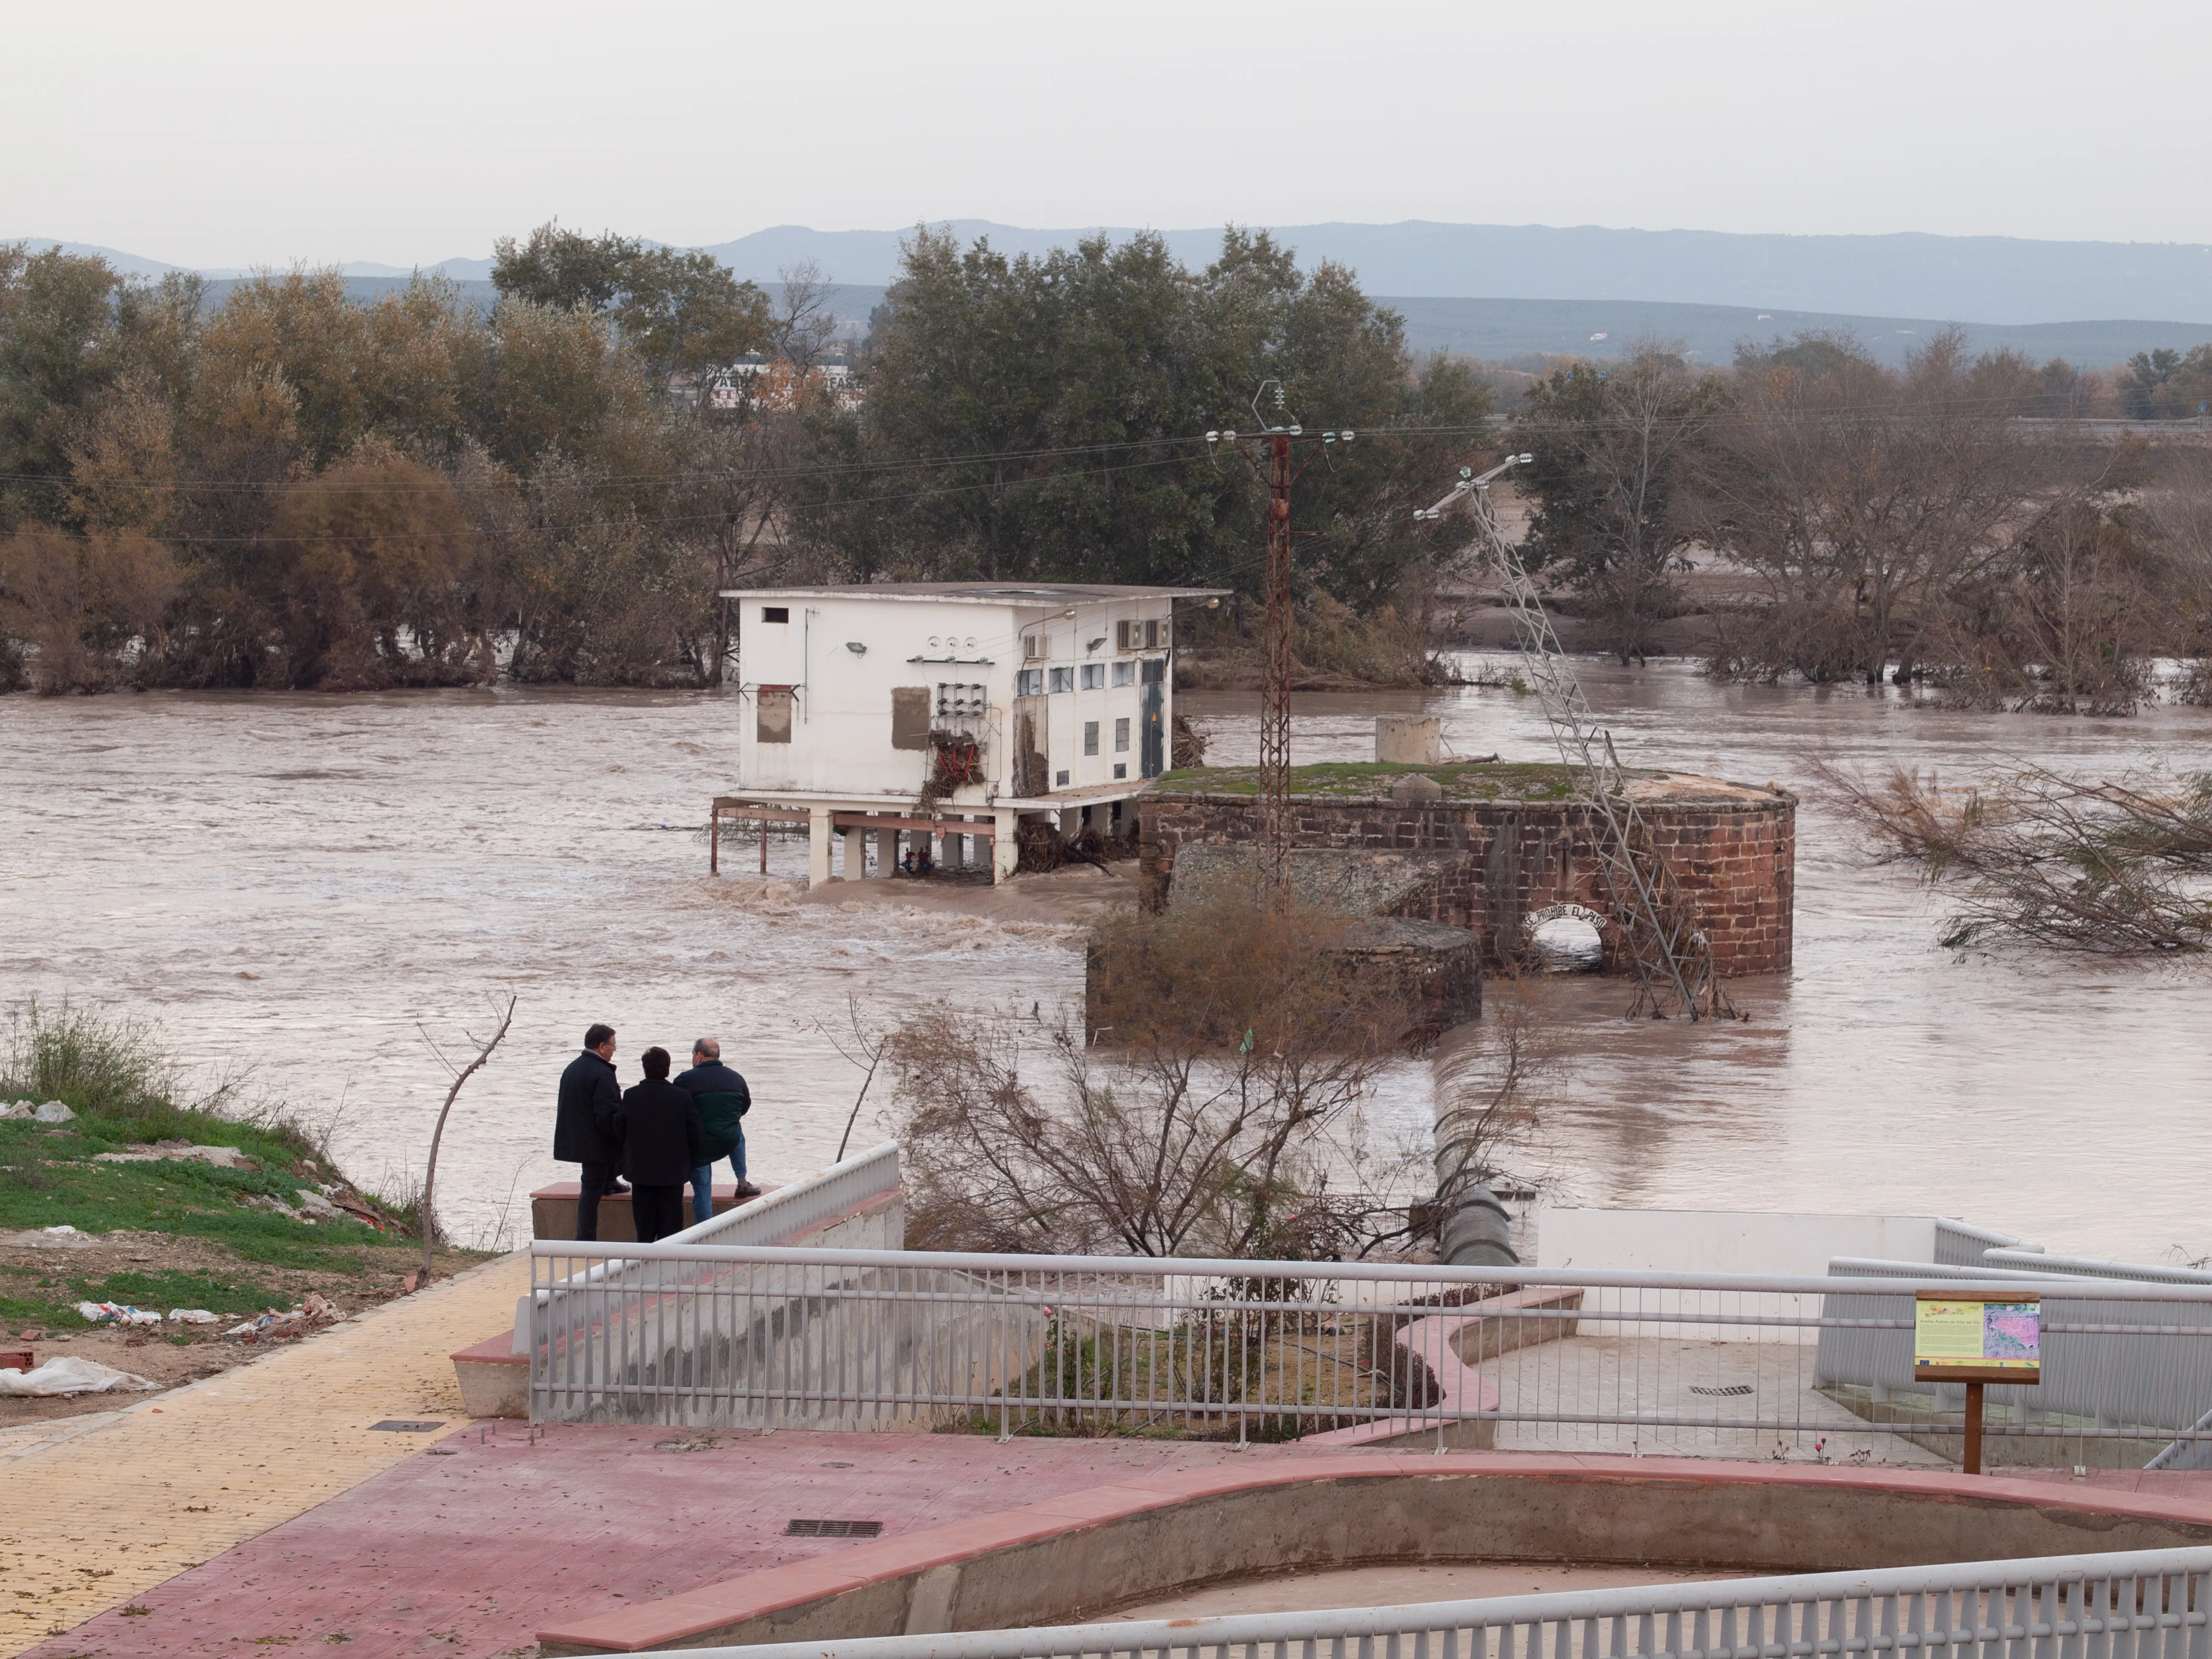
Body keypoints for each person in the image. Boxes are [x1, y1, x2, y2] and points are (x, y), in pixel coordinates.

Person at [619, 1046, 705, 1244]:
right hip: (673, 1174)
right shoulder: (681, 1096)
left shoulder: (631, 1096)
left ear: (645, 1069)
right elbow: (697, 1134)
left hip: (640, 1173)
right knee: (672, 1231)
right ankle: (669, 1272)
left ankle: (644, 1270)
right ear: (668, 1069)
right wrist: (688, 1160)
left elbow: (619, 1129)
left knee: (644, 1231)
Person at [674, 1037, 758, 1224]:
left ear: (698, 1056)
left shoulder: (684, 1080)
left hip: (699, 1146)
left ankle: (705, 1232)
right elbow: (744, 1107)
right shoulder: (736, 1077)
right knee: (736, 1129)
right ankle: (742, 1182)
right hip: (728, 1140)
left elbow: (675, 1111)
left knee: (703, 1188)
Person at [553, 1023, 624, 1242]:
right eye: (613, 1045)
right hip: (595, 1142)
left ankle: (610, 1182)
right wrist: (620, 1131)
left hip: (577, 1136)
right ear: (602, 1047)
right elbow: (606, 1113)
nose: (615, 1049)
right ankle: (585, 1241)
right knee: (590, 1193)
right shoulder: (602, 1073)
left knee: (595, 1183)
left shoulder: (573, 1067)